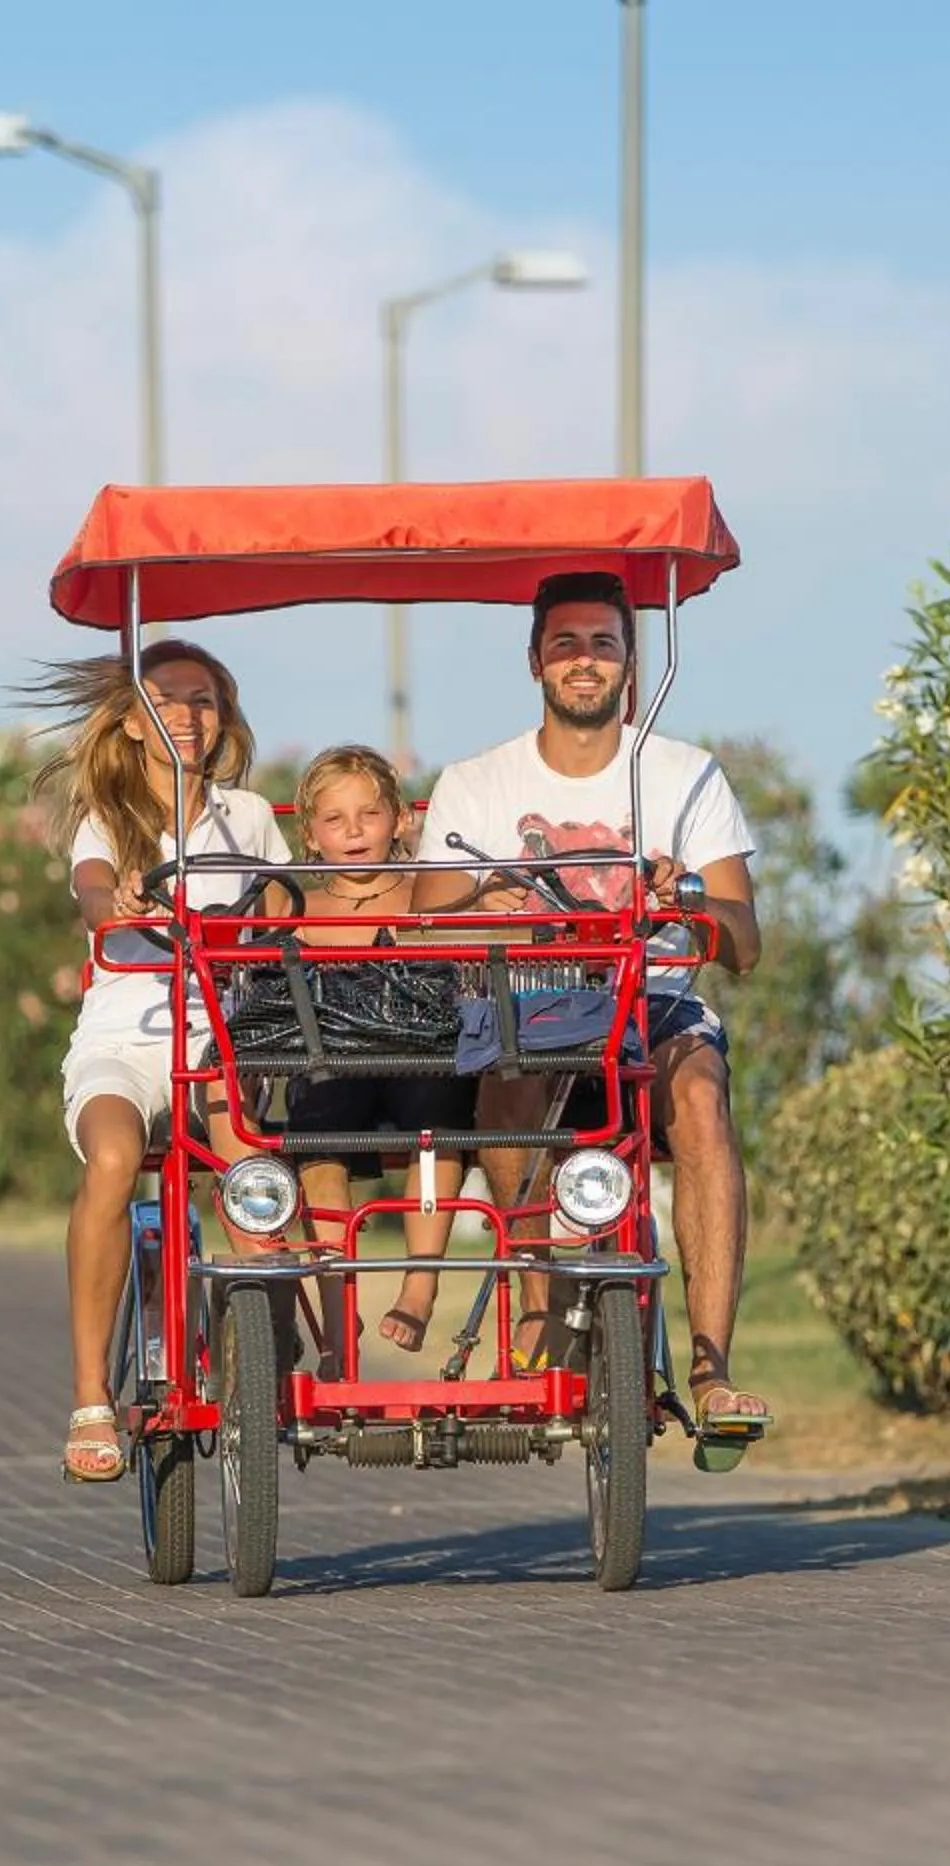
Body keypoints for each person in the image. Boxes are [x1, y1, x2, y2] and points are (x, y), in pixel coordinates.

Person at [413, 571, 770, 1429]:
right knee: (508, 1072)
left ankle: (712, 1368)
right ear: (535, 660)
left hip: (653, 1000)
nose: (585, 662)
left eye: (604, 645)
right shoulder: (477, 782)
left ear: (630, 666)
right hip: (528, 999)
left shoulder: (685, 775)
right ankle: (538, 1313)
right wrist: (488, 904)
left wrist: (686, 899)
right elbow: (425, 926)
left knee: (701, 1095)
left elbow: (745, 943)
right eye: (566, 644)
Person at [23, 639, 291, 1484]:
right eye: (166, 701)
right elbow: (94, 891)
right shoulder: (110, 818)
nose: (186, 716)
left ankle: (265, 1345)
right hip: (126, 1036)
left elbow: (290, 907)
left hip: (220, 1034)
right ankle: (89, 1396)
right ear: (134, 723)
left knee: (251, 1168)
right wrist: (123, 899)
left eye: (203, 700)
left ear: (224, 717)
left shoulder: (248, 818)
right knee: (112, 1159)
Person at [265, 745, 476, 1354]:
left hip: (421, 1054)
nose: (354, 831)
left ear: (401, 821)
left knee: (437, 1121)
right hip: (330, 1059)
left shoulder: (425, 895)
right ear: (311, 835)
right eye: (335, 820)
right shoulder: (296, 906)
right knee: (317, 1134)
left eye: (370, 814)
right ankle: (337, 1304)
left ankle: (420, 1286)